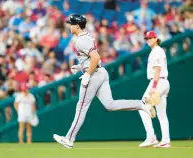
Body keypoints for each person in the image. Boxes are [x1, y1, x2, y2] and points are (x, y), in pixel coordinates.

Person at [53, 13, 155, 148]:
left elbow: (95, 58)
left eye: (71, 24)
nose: (69, 26)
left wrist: (87, 74)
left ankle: (69, 139)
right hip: (101, 72)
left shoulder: (80, 40)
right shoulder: (86, 35)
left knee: (81, 107)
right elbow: (92, 58)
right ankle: (141, 105)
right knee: (110, 104)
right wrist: (80, 67)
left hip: (94, 75)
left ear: (77, 26)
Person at [138, 31, 171, 148]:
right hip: (164, 82)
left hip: (158, 82)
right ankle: (166, 140)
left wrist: (153, 87)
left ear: (156, 38)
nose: (149, 40)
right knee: (162, 114)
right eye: (147, 39)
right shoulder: (158, 51)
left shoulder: (156, 51)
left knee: (142, 108)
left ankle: (151, 137)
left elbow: (157, 69)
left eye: (151, 38)